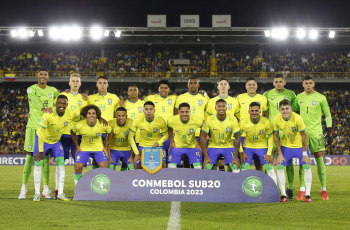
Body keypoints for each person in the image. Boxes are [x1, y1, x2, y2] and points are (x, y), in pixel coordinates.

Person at [19, 68, 59, 200]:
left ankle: (46, 189)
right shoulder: (31, 89)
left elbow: (60, 101)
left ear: (48, 77)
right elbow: (34, 101)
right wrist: (43, 108)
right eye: (40, 74)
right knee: (30, 156)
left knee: (46, 158)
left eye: (45, 75)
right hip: (33, 127)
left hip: (46, 128)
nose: (42, 76)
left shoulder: (53, 90)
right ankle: (23, 188)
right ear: (37, 76)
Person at [32, 95, 80, 201]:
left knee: (61, 165)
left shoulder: (70, 114)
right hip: (43, 140)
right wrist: (40, 151)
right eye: (60, 103)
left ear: (67, 105)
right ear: (56, 104)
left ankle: (60, 193)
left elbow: (81, 117)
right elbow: (40, 132)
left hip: (56, 142)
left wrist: (99, 117)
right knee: (38, 164)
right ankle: (36, 193)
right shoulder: (48, 114)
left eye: (64, 103)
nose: (62, 105)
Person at [293, 75, 332, 200]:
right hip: (302, 134)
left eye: (310, 83)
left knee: (320, 159)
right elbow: (291, 111)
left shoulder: (321, 97)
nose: (308, 85)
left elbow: (328, 114)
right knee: (303, 161)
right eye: (306, 83)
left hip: (316, 133)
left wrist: (329, 130)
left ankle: (323, 189)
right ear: (303, 85)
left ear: (313, 84)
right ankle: (302, 189)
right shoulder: (299, 97)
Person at [263, 74, 296, 199]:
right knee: (269, 158)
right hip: (272, 132)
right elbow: (264, 109)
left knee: (288, 161)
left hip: (287, 132)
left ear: (284, 82)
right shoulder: (267, 94)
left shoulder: (291, 94)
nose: (278, 83)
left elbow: (294, 109)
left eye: (280, 81)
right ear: (273, 83)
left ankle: (290, 188)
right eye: (276, 81)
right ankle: (268, 186)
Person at [274, 99, 312, 202]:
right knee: (280, 166)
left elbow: (304, 136)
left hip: (300, 147)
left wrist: (304, 154)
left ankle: (308, 194)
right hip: (286, 147)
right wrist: (280, 154)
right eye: (283, 109)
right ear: (279, 110)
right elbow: (275, 136)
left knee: (306, 166)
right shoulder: (277, 119)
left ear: (290, 109)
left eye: (287, 108)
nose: (285, 111)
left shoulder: (297, 118)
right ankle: (283, 195)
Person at [57, 73, 87, 198]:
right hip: (63, 134)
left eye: (77, 81)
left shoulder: (85, 99)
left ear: (80, 84)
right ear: (69, 83)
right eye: (73, 81)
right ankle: (58, 191)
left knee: (78, 163)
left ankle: (79, 191)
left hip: (78, 135)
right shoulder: (62, 96)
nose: (75, 83)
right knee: (60, 163)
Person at [71, 105, 113, 185]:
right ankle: (78, 188)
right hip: (84, 149)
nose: (91, 115)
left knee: (104, 167)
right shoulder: (79, 125)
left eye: (93, 113)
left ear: (97, 115)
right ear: (86, 115)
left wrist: (106, 147)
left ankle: (101, 188)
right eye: (89, 113)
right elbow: (72, 132)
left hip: (99, 149)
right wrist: (77, 146)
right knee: (77, 167)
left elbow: (110, 132)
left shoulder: (102, 124)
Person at [205, 78, 239, 171]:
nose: (223, 86)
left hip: (230, 138)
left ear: (228, 86)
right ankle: (215, 182)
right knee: (213, 164)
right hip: (214, 138)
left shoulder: (235, 101)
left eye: (225, 84)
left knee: (231, 164)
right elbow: (206, 119)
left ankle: (230, 183)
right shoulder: (211, 101)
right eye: (221, 84)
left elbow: (238, 118)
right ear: (218, 87)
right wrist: (207, 135)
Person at [239, 102, 277, 184]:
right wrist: (241, 151)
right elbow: (238, 137)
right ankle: (240, 193)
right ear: (249, 111)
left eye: (256, 111)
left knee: (270, 170)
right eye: (252, 111)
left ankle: (274, 193)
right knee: (243, 170)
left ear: (260, 111)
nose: (254, 113)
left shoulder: (266, 122)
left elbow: (270, 137)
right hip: (248, 147)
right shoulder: (243, 122)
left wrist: (269, 153)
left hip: (262, 147)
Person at [175, 76, 209, 167]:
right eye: (191, 83)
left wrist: (207, 133)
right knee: (185, 160)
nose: (193, 85)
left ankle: (199, 180)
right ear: (187, 85)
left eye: (195, 83)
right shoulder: (181, 97)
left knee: (199, 160)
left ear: (198, 85)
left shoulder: (205, 97)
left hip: (200, 133)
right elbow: (176, 116)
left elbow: (209, 115)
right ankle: (186, 179)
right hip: (184, 133)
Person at [87, 76, 120, 169]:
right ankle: (94, 174)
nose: (102, 85)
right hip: (95, 130)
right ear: (97, 85)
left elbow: (120, 113)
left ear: (107, 85)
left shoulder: (114, 98)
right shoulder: (90, 98)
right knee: (95, 155)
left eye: (104, 83)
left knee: (108, 154)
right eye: (100, 83)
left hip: (108, 131)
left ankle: (108, 175)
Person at [236, 77, 268, 171]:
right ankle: (241, 181)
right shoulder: (240, 97)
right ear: (246, 86)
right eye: (249, 84)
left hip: (258, 134)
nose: (251, 86)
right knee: (242, 160)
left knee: (259, 162)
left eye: (253, 84)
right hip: (243, 134)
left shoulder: (262, 98)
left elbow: (266, 113)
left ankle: (260, 181)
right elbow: (235, 112)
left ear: (257, 86)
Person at [201, 99, 241, 173]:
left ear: (226, 108)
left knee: (236, 169)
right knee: (207, 168)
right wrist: (206, 157)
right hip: (213, 146)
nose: (221, 108)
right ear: (215, 108)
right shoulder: (209, 119)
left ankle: (233, 183)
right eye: (219, 106)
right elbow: (202, 136)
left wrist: (235, 157)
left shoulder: (232, 119)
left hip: (228, 146)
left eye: (223, 106)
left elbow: (238, 138)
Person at [128, 101, 169, 169]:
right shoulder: (138, 120)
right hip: (143, 146)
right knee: (136, 165)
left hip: (158, 146)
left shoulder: (160, 120)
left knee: (163, 165)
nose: (149, 111)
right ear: (143, 110)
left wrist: (158, 143)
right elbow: (130, 136)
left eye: (151, 109)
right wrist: (137, 153)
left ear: (154, 110)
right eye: (146, 109)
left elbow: (166, 135)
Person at [167, 103, 203, 169]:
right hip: (177, 146)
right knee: (171, 167)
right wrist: (172, 142)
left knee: (198, 168)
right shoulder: (172, 120)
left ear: (190, 112)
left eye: (186, 112)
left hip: (192, 147)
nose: (184, 114)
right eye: (182, 112)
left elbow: (203, 130)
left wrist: (199, 143)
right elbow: (169, 128)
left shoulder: (198, 121)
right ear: (178, 112)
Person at [144, 80, 177, 153]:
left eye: (165, 88)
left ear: (169, 89)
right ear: (158, 89)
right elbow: (137, 101)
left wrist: (203, 92)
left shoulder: (174, 98)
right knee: (157, 159)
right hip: (156, 134)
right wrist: (123, 99)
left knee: (170, 157)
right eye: (161, 88)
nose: (163, 90)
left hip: (169, 134)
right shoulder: (150, 98)